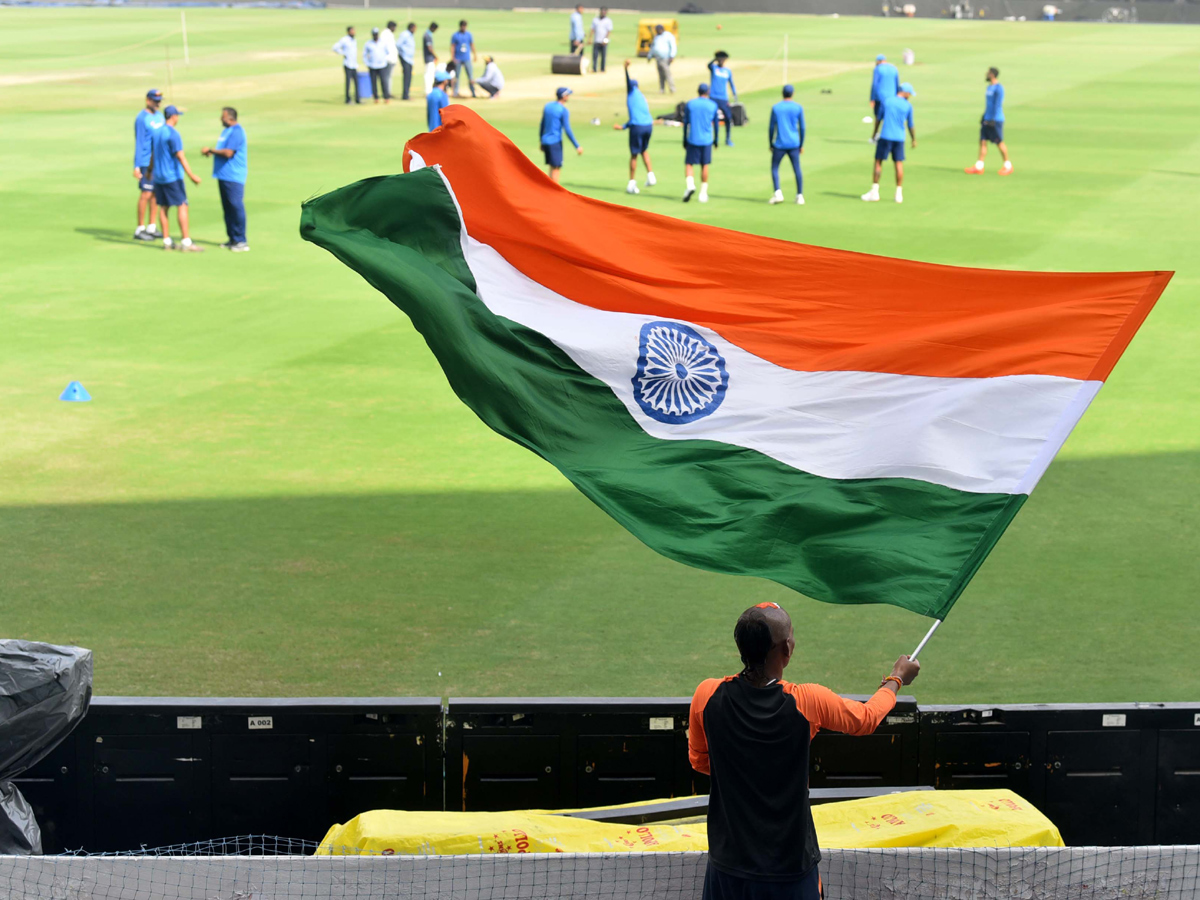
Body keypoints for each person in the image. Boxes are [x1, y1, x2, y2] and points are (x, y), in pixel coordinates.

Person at [689, 602, 920, 900]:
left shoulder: (706, 694)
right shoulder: (806, 701)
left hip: (726, 868)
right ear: (786, 649)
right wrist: (896, 679)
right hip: (790, 871)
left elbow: (699, 760)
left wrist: (742, 772)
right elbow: (865, 720)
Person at [149, 105, 203, 252]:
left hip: (159, 176)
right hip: (172, 177)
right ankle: (186, 241)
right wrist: (192, 175)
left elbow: (153, 154)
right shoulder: (173, 134)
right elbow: (180, 156)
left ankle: (166, 241)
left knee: (164, 207)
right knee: (182, 205)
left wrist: (149, 170)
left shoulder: (157, 132)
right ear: (173, 117)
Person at [200, 107, 249, 252]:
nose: (221, 119)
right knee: (228, 208)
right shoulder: (226, 131)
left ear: (230, 118)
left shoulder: (237, 131)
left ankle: (241, 240)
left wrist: (211, 150)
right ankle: (232, 238)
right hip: (223, 175)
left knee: (235, 206)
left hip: (234, 175)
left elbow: (228, 153)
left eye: (223, 116)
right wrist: (213, 153)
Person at [863, 82, 916, 204]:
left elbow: (878, 119)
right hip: (899, 138)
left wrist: (874, 134)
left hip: (885, 135)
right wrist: (913, 139)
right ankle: (898, 194)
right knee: (898, 163)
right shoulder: (908, 106)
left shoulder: (887, 101)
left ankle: (875, 192)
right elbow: (911, 125)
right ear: (905, 92)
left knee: (878, 162)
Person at [613, 60, 656, 194]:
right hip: (648, 125)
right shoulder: (641, 96)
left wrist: (625, 69)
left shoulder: (631, 93)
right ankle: (651, 175)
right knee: (644, 150)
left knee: (633, 155)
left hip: (637, 127)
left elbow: (627, 82)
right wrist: (624, 126)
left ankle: (631, 183)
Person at [966, 67, 1012, 175]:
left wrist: (993, 118)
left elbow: (997, 104)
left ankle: (1008, 165)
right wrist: (984, 116)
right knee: (982, 141)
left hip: (996, 120)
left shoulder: (998, 88)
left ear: (992, 74)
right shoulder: (989, 87)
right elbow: (989, 105)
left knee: (999, 142)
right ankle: (979, 166)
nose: (986, 74)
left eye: (988, 73)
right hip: (987, 118)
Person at [133, 88, 164, 241]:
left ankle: (151, 226)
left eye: (159, 102)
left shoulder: (160, 117)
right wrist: (136, 165)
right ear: (148, 100)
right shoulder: (142, 118)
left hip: (158, 161)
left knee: (155, 194)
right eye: (155, 101)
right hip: (146, 161)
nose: (157, 104)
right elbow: (139, 142)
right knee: (145, 193)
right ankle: (140, 228)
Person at [682, 82, 719, 203]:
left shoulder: (691, 104)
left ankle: (690, 185)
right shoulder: (713, 105)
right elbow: (716, 125)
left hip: (693, 138)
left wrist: (684, 139)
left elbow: (686, 123)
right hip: (707, 139)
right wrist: (716, 140)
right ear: (707, 92)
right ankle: (703, 193)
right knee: (705, 165)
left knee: (689, 164)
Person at [768, 84, 805, 205]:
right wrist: (801, 144)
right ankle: (799, 195)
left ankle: (778, 193)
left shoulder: (776, 107)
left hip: (779, 143)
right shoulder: (798, 107)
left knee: (775, 168)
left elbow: (771, 127)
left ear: (782, 93)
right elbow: (802, 127)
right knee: (797, 169)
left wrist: (770, 143)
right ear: (792, 93)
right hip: (794, 143)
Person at [539, 87, 582, 183]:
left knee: (551, 166)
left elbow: (542, 125)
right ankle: (554, 193)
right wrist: (577, 146)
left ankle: (549, 190)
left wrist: (541, 141)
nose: (569, 97)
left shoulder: (548, 106)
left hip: (545, 141)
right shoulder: (563, 110)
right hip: (555, 142)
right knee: (556, 168)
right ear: (564, 96)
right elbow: (567, 129)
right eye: (568, 95)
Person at [707, 51, 738, 147]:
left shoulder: (727, 71)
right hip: (713, 97)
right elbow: (708, 65)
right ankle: (714, 139)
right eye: (719, 59)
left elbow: (731, 83)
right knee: (714, 118)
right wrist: (715, 59)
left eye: (722, 59)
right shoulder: (714, 68)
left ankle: (727, 139)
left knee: (728, 118)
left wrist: (734, 94)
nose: (721, 61)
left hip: (723, 98)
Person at [869, 54, 900, 142]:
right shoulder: (894, 68)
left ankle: (875, 137)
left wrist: (872, 98)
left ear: (878, 61)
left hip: (880, 97)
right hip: (892, 97)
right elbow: (897, 83)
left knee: (878, 117)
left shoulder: (878, 69)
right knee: (889, 117)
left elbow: (875, 84)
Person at [332, 26, 360, 105]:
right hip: (347, 64)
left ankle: (357, 99)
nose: (353, 32)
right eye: (352, 31)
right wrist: (343, 53)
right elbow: (335, 47)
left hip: (354, 64)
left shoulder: (354, 40)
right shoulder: (344, 40)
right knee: (348, 83)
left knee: (356, 82)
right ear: (348, 32)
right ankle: (347, 99)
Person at [450, 21, 476, 98]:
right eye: (463, 26)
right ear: (460, 26)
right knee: (457, 76)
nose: (464, 27)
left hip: (467, 58)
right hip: (458, 58)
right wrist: (453, 57)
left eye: (465, 26)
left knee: (470, 75)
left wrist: (475, 55)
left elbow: (472, 45)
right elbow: (452, 46)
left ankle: (473, 92)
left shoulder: (469, 35)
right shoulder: (455, 35)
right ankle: (455, 92)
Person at [648, 24, 676, 94]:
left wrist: (672, 56)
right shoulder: (656, 37)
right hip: (658, 58)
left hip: (665, 58)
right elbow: (653, 47)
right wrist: (649, 56)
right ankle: (662, 89)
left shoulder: (667, 36)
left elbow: (673, 46)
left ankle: (672, 88)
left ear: (661, 29)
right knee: (660, 74)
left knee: (667, 73)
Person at [364, 28, 390, 104]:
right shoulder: (368, 43)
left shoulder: (383, 43)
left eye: (376, 34)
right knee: (374, 82)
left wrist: (384, 60)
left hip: (382, 65)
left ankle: (386, 97)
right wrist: (367, 63)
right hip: (372, 66)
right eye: (374, 34)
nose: (375, 36)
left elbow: (387, 52)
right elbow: (364, 55)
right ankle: (376, 97)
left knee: (384, 82)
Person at [589, 8, 613, 73]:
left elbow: (609, 31)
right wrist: (590, 38)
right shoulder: (595, 20)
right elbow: (592, 29)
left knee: (603, 56)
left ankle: (602, 69)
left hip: (604, 41)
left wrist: (605, 39)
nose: (603, 13)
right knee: (595, 56)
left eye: (604, 12)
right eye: (602, 12)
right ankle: (594, 68)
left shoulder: (608, 21)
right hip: (596, 40)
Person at [380, 21, 399, 103]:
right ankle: (386, 92)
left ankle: (388, 92)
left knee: (389, 77)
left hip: (391, 59)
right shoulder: (385, 34)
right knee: (386, 77)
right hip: (387, 59)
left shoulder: (389, 34)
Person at [397, 22, 416, 101]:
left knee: (409, 77)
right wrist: (403, 54)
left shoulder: (410, 35)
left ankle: (407, 94)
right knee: (407, 77)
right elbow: (398, 44)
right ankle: (405, 95)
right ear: (411, 28)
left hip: (409, 59)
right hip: (405, 58)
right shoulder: (405, 34)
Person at [422, 22, 439, 96]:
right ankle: (428, 91)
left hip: (429, 58)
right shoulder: (427, 35)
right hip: (429, 58)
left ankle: (429, 90)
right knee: (429, 75)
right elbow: (430, 48)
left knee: (430, 74)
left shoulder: (427, 34)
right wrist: (435, 56)